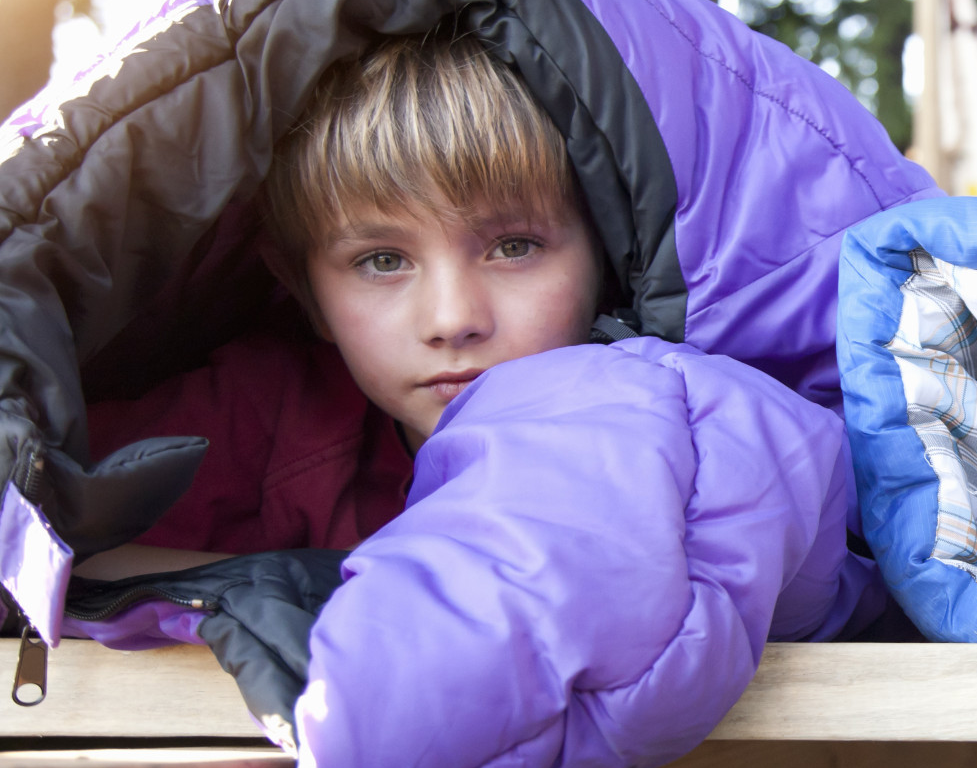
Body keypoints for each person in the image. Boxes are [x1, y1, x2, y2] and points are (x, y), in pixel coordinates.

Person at [74, 33, 603, 579]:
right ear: (308, 295)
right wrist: (314, 590)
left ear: (607, 255)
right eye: (381, 261)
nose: (452, 320)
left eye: (513, 247)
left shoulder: (668, 428)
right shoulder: (272, 409)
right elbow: (34, 534)